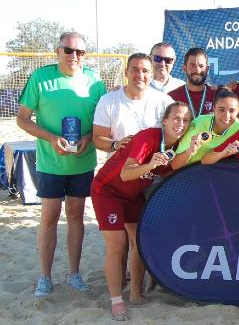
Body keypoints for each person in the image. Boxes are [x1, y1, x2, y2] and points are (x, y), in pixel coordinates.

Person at [17, 32, 107, 297]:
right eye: (68, 50)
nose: (74, 56)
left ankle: (74, 273)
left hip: (82, 161)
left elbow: (100, 125)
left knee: (76, 216)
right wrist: (51, 138)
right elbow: (22, 119)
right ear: (57, 51)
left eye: (80, 52)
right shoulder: (40, 78)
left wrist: (87, 138)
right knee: (49, 217)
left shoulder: (95, 82)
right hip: (50, 162)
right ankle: (45, 276)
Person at [91, 102, 191, 320]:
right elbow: (126, 174)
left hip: (132, 194)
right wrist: (150, 166)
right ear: (164, 120)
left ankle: (136, 294)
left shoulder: (179, 145)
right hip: (107, 190)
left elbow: (174, 168)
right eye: (176, 118)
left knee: (141, 241)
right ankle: (117, 301)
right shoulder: (149, 137)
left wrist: (192, 150)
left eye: (185, 120)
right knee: (117, 245)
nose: (180, 123)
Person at [93, 53, 174, 156]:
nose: (140, 75)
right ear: (126, 72)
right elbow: (97, 138)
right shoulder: (108, 100)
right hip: (118, 168)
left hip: (152, 169)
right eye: (135, 69)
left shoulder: (164, 101)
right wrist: (115, 144)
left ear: (151, 75)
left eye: (145, 71)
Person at [171, 87, 239, 168]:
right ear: (214, 108)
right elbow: (175, 166)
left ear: (238, 111)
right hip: (186, 172)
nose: (226, 116)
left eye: (232, 111)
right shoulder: (199, 124)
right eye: (221, 110)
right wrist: (189, 151)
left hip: (213, 173)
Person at [168, 47, 216, 117]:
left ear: (207, 69)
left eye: (201, 66)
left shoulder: (216, 95)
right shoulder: (172, 97)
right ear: (184, 68)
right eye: (193, 65)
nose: (197, 70)